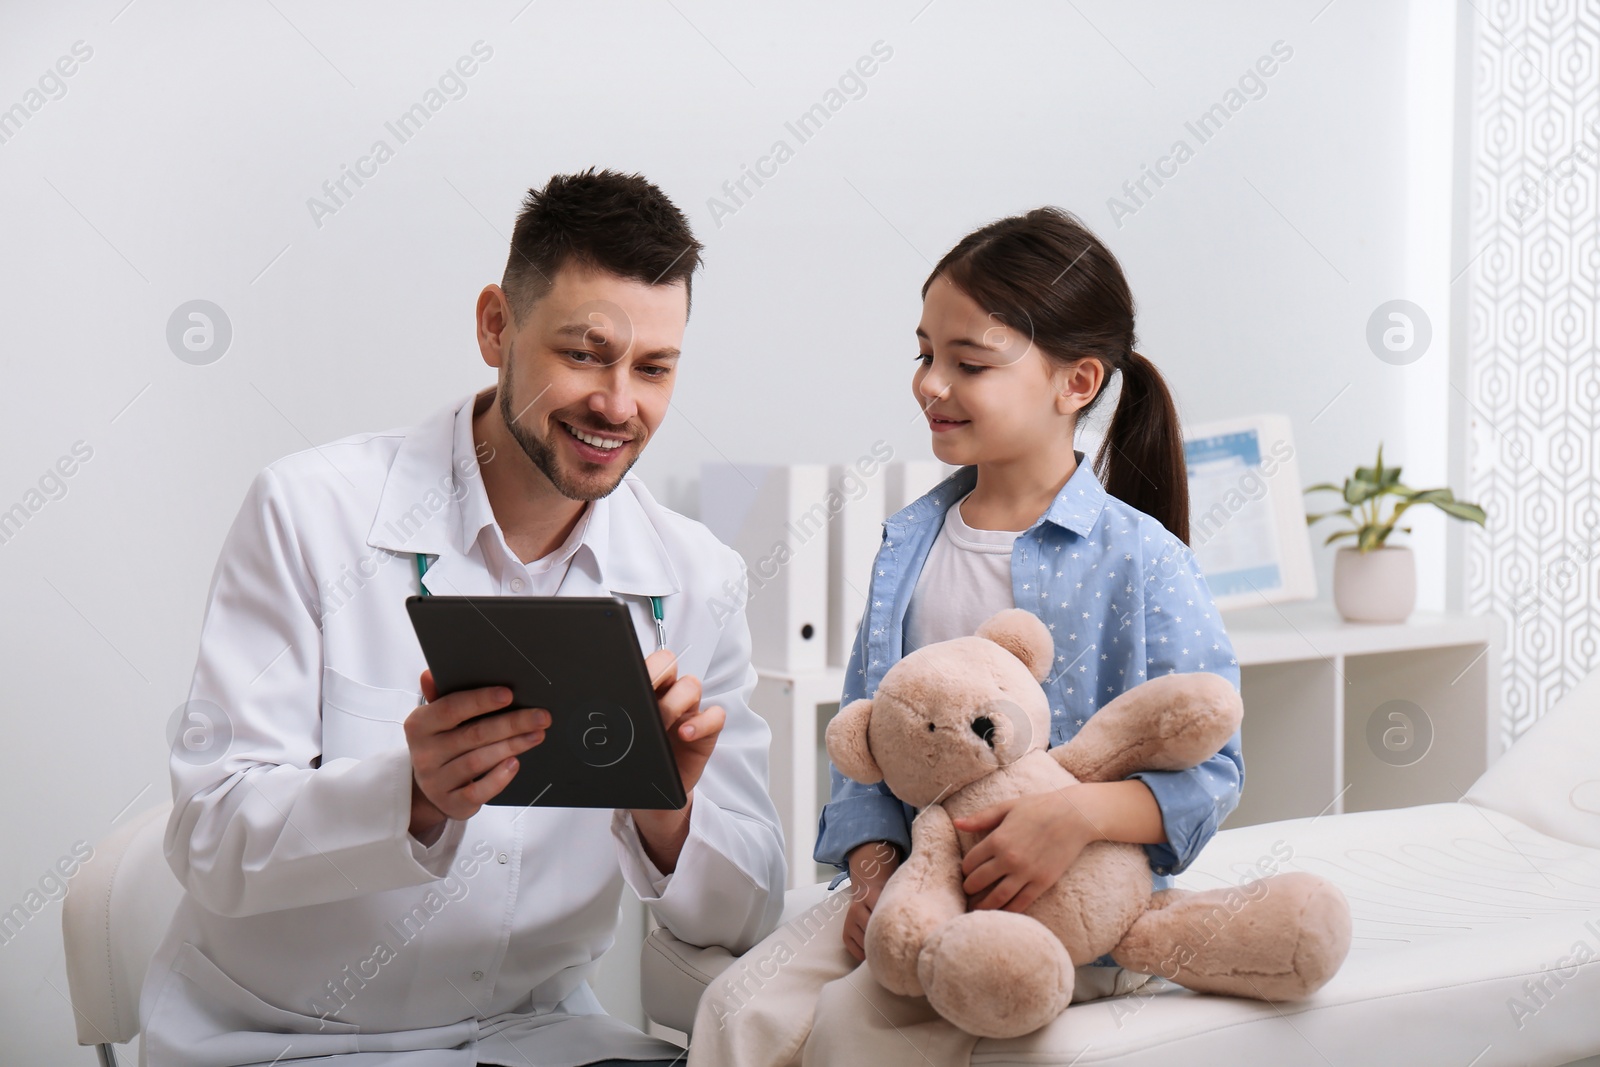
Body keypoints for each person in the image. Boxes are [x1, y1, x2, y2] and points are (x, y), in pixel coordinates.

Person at [140, 168, 786, 1067]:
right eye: (585, 352)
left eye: (654, 368)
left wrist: (664, 810)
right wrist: (410, 794)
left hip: (539, 1037)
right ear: (496, 326)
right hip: (287, 1039)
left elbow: (749, 913)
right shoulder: (308, 511)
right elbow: (208, 836)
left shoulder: (697, 578)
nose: (619, 403)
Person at [687, 206, 1243, 1065]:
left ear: (1078, 382)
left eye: (968, 363)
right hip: (920, 879)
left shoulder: (1143, 561)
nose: (929, 384)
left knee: (850, 1033)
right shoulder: (909, 542)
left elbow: (1210, 776)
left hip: (1067, 898)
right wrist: (872, 875)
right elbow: (867, 742)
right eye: (924, 354)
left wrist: (1072, 815)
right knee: (735, 1013)